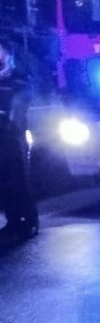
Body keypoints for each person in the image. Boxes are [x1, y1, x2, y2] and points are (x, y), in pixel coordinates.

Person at [0, 38, 38, 243]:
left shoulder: (18, 81)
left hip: (13, 136)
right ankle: (12, 221)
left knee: (18, 179)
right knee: (3, 182)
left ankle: (29, 221)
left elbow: (20, 107)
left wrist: (12, 120)